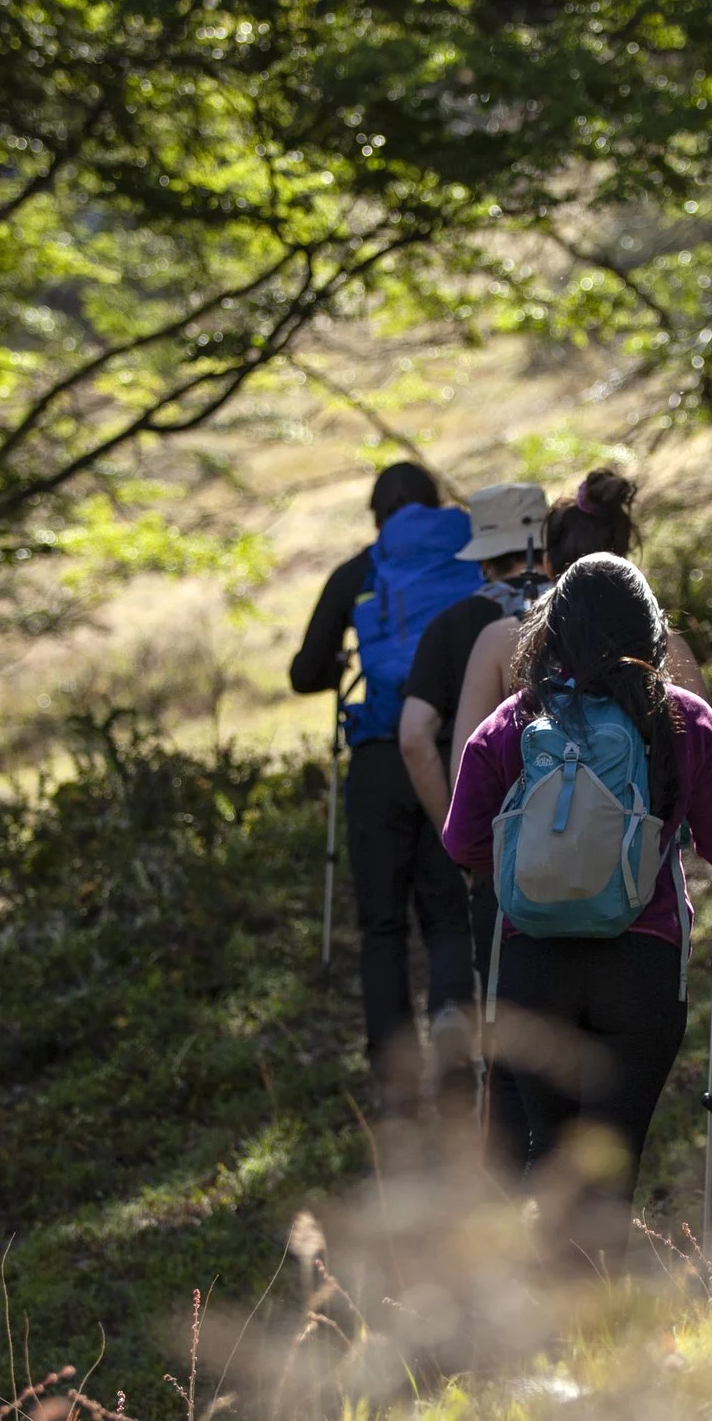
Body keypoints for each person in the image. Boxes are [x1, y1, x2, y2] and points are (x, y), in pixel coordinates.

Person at [441, 554, 712, 1263]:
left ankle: (548, 1332)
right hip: (641, 966)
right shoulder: (684, 719)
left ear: (550, 631)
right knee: (610, 1166)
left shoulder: (512, 722)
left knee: (547, 1162)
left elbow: (462, 842)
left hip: (533, 964)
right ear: (653, 635)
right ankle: (599, 1342)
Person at [289, 461, 480, 1108]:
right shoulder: (472, 551)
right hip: (452, 745)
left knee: (382, 924)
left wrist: (346, 659)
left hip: (378, 753)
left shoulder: (361, 571)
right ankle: (454, 1028)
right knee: (450, 910)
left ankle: (394, 1072)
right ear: (434, 502)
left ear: (379, 516)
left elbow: (304, 672)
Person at [395, 481, 551, 1147]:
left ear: (482, 556)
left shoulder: (455, 627)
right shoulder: (594, 610)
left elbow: (414, 734)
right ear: (541, 541)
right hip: (607, 854)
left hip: (503, 857)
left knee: (509, 1020)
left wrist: (460, 840)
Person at [446, 468, 703, 785]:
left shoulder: (501, 640)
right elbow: (703, 759)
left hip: (535, 833)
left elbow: (466, 771)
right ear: (625, 560)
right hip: (649, 831)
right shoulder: (668, 644)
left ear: (547, 563)